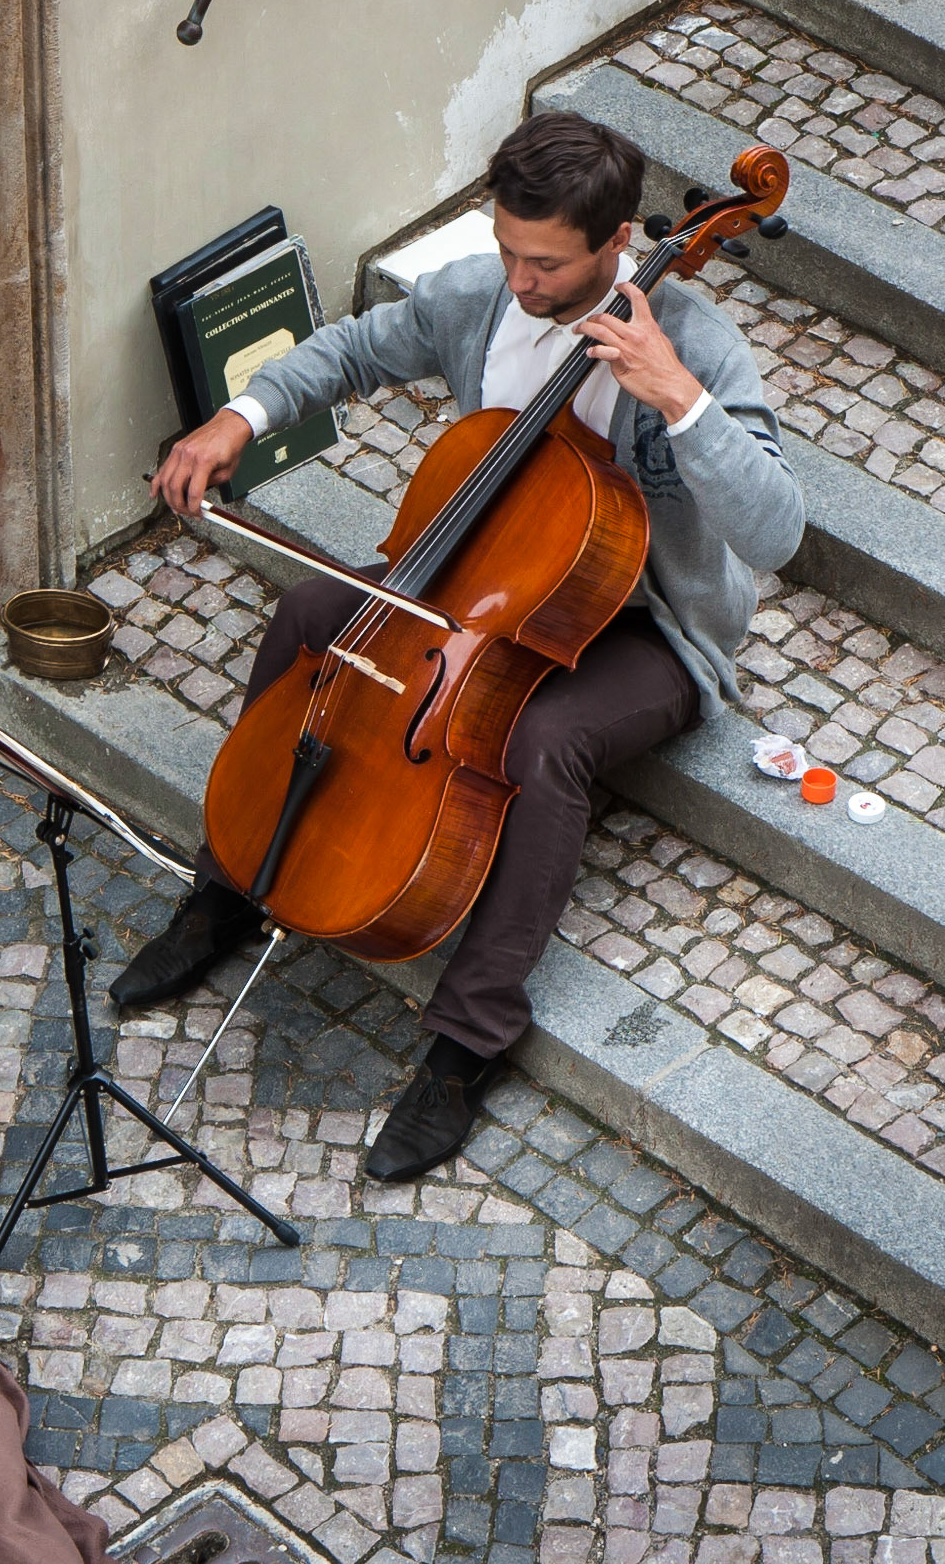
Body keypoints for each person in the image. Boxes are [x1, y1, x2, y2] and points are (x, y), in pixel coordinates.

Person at [111, 110, 804, 1183]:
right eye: (505, 251)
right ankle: (232, 883)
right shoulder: (480, 300)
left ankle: (468, 1039)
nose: (520, 281)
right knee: (307, 615)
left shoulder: (697, 344)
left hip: (642, 625)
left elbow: (775, 531)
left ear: (617, 239)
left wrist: (676, 396)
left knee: (542, 742)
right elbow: (352, 348)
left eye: (546, 263)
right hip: (482, 582)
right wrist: (240, 416)